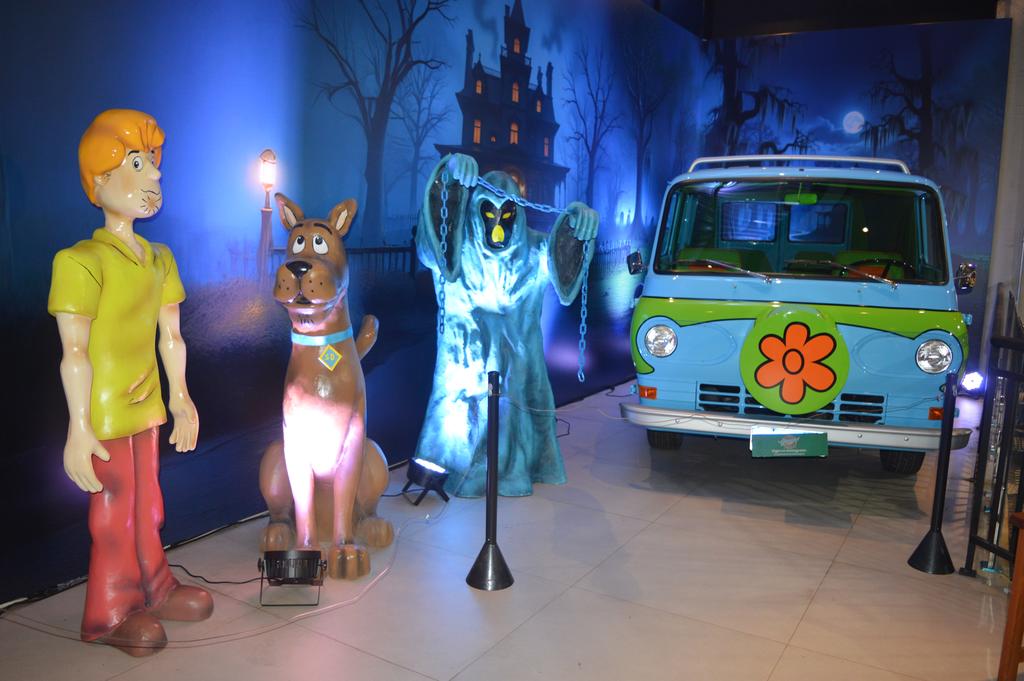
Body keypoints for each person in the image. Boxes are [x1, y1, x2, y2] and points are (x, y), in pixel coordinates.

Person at [48, 109, 212, 656]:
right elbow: (74, 351)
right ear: (99, 180)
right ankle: (109, 611)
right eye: (137, 164)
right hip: (106, 412)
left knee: (150, 504)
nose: (155, 175)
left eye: (153, 163)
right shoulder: (80, 261)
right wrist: (78, 427)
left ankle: (155, 586)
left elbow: (172, 337)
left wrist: (181, 398)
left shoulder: (159, 259)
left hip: (148, 405)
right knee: (114, 508)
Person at [415, 153, 599, 497]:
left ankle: (513, 468)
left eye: (506, 213)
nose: (497, 224)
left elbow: (563, 263)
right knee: (470, 417)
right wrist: (447, 179)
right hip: (464, 369)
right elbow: (430, 247)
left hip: (515, 377)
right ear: (477, 211)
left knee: (508, 403)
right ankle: (463, 466)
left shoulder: (533, 250)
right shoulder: (458, 248)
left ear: (518, 212)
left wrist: (579, 224)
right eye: (489, 212)